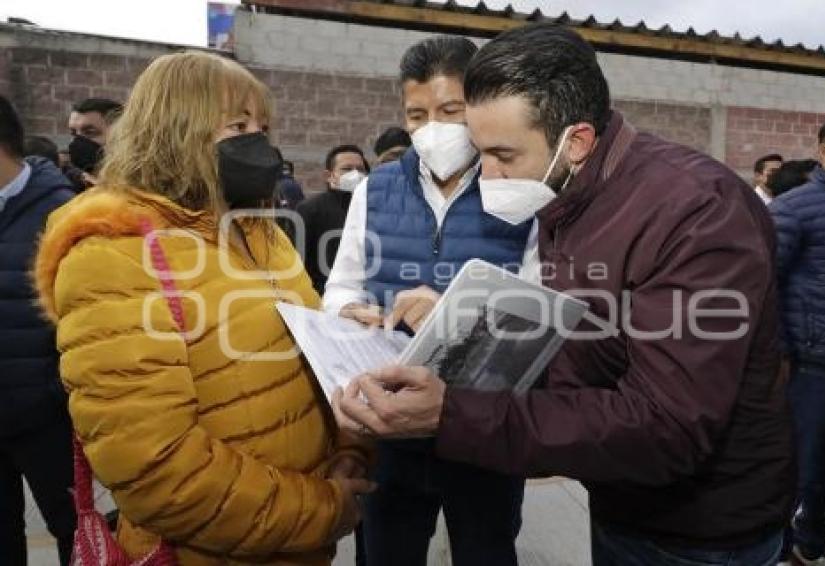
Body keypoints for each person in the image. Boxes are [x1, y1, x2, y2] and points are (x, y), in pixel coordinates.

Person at [334, 23, 794, 566]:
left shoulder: (696, 211)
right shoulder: (573, 194)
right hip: (624, 493)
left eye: (503, 155)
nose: (489, 178)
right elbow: (586, 338)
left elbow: (667, 426)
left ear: (574, 141)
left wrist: (454, 415)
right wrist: (461, 322)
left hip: (700, 531)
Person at [33, 51, 373, 564]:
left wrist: (350, 455)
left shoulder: (263, 233)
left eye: (263, 125)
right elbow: (157, 469)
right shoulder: (113, 254)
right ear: (174, 130)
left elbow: (316, 359)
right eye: (238, 125)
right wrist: (322, 509)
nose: (258, 141)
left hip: (299, 546)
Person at [324, 35, 538, 566]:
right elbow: (342, 287)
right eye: (417, 114)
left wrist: (451, 311)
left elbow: (538, 310)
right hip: (390, 423)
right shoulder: (375, 190)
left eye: (451, 110)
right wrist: (347, 312)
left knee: (486, 549)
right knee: (387, 551)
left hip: (481, 426)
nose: (432, 128)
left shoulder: (518, 187)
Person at [770, 110, 825, 566]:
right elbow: (765, 286)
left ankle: (811, 544)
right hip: (813, 364)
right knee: (797, 465)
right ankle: (778, 549)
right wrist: (780, 352)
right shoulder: (793, 208)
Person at [0, 96, 77, 566]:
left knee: (73, 532)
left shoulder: (63, 215)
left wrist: (53, 394)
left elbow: (84, 321)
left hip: (48, 418)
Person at [295, 144, 369, 294]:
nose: (355, 174)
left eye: (360, 169)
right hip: (322, 297)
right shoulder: (310, 209)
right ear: (329, 176)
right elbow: (298, 260)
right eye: (347, 169)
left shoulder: (371, 208)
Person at [67, 97, 123, 188]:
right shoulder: (65, 186)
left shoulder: (142, 184)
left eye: (89, 132)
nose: (78, 140)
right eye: (73, 133)